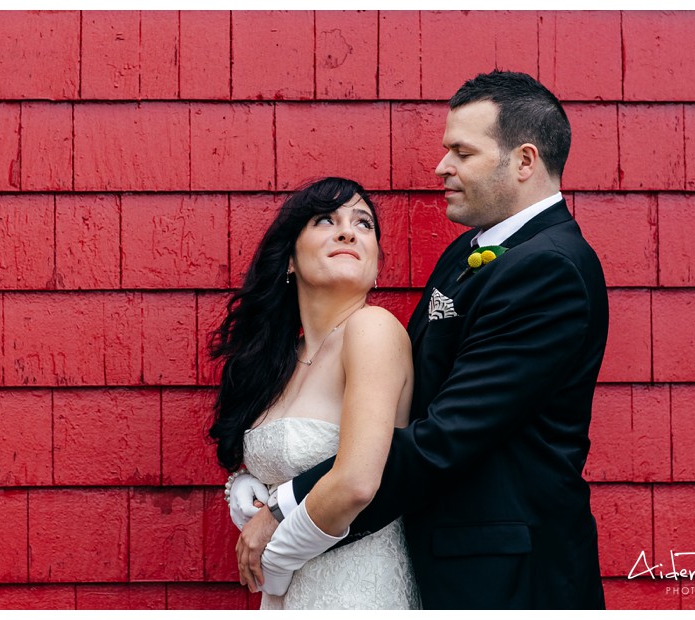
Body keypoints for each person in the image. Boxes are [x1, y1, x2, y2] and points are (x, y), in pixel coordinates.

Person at [230, 70, 610, 609]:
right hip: (431, 560)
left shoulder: (552, 269)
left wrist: (288, 507)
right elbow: (400, 407)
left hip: (508, 575)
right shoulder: (466, 254)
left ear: (525, 161)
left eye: (462, 151)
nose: (442, 167)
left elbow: (446, 435)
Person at [209, 177, 421, 609]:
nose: (347, 231)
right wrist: (247, 487)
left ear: (377, 264)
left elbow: (358, 481)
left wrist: (275, 546)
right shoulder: (280, 359)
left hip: (357, 588)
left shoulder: (372, 329)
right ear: (289, 258)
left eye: (363, 224)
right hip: (286, 598)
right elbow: (293, 457)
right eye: (326, 220)